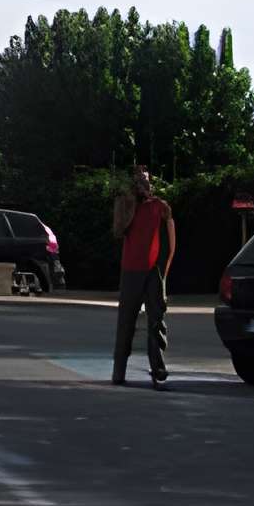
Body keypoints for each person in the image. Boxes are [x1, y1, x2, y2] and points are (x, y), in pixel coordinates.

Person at [111, 164, 175, 386]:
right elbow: (118, 229)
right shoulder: (125, 205)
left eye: (146, 179)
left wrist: (163, 271)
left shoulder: (160, 206)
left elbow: (170, 240)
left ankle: (158, 369)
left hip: (153, 271)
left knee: (156, 321)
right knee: (126, 321)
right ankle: (118, 371)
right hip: (131, 270)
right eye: (138, 179)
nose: (143, 183)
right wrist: (131, 201)